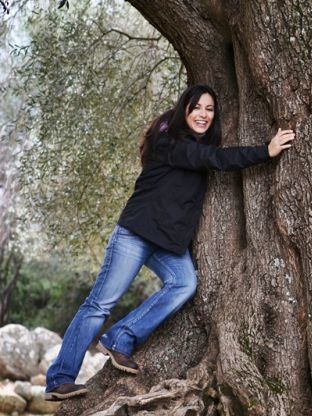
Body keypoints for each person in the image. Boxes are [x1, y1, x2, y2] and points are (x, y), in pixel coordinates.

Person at [44, 84, 295, 401]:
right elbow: (213, 158)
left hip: (166, 244)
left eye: (209, 109)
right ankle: (59, 379)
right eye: (197, 108)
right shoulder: (169, 141)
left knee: (184, 283)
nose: (203, 114)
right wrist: (265, 150)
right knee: (99, 305)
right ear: (184, 110)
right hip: (135, 235)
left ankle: (121, 336)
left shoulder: (193, 145)